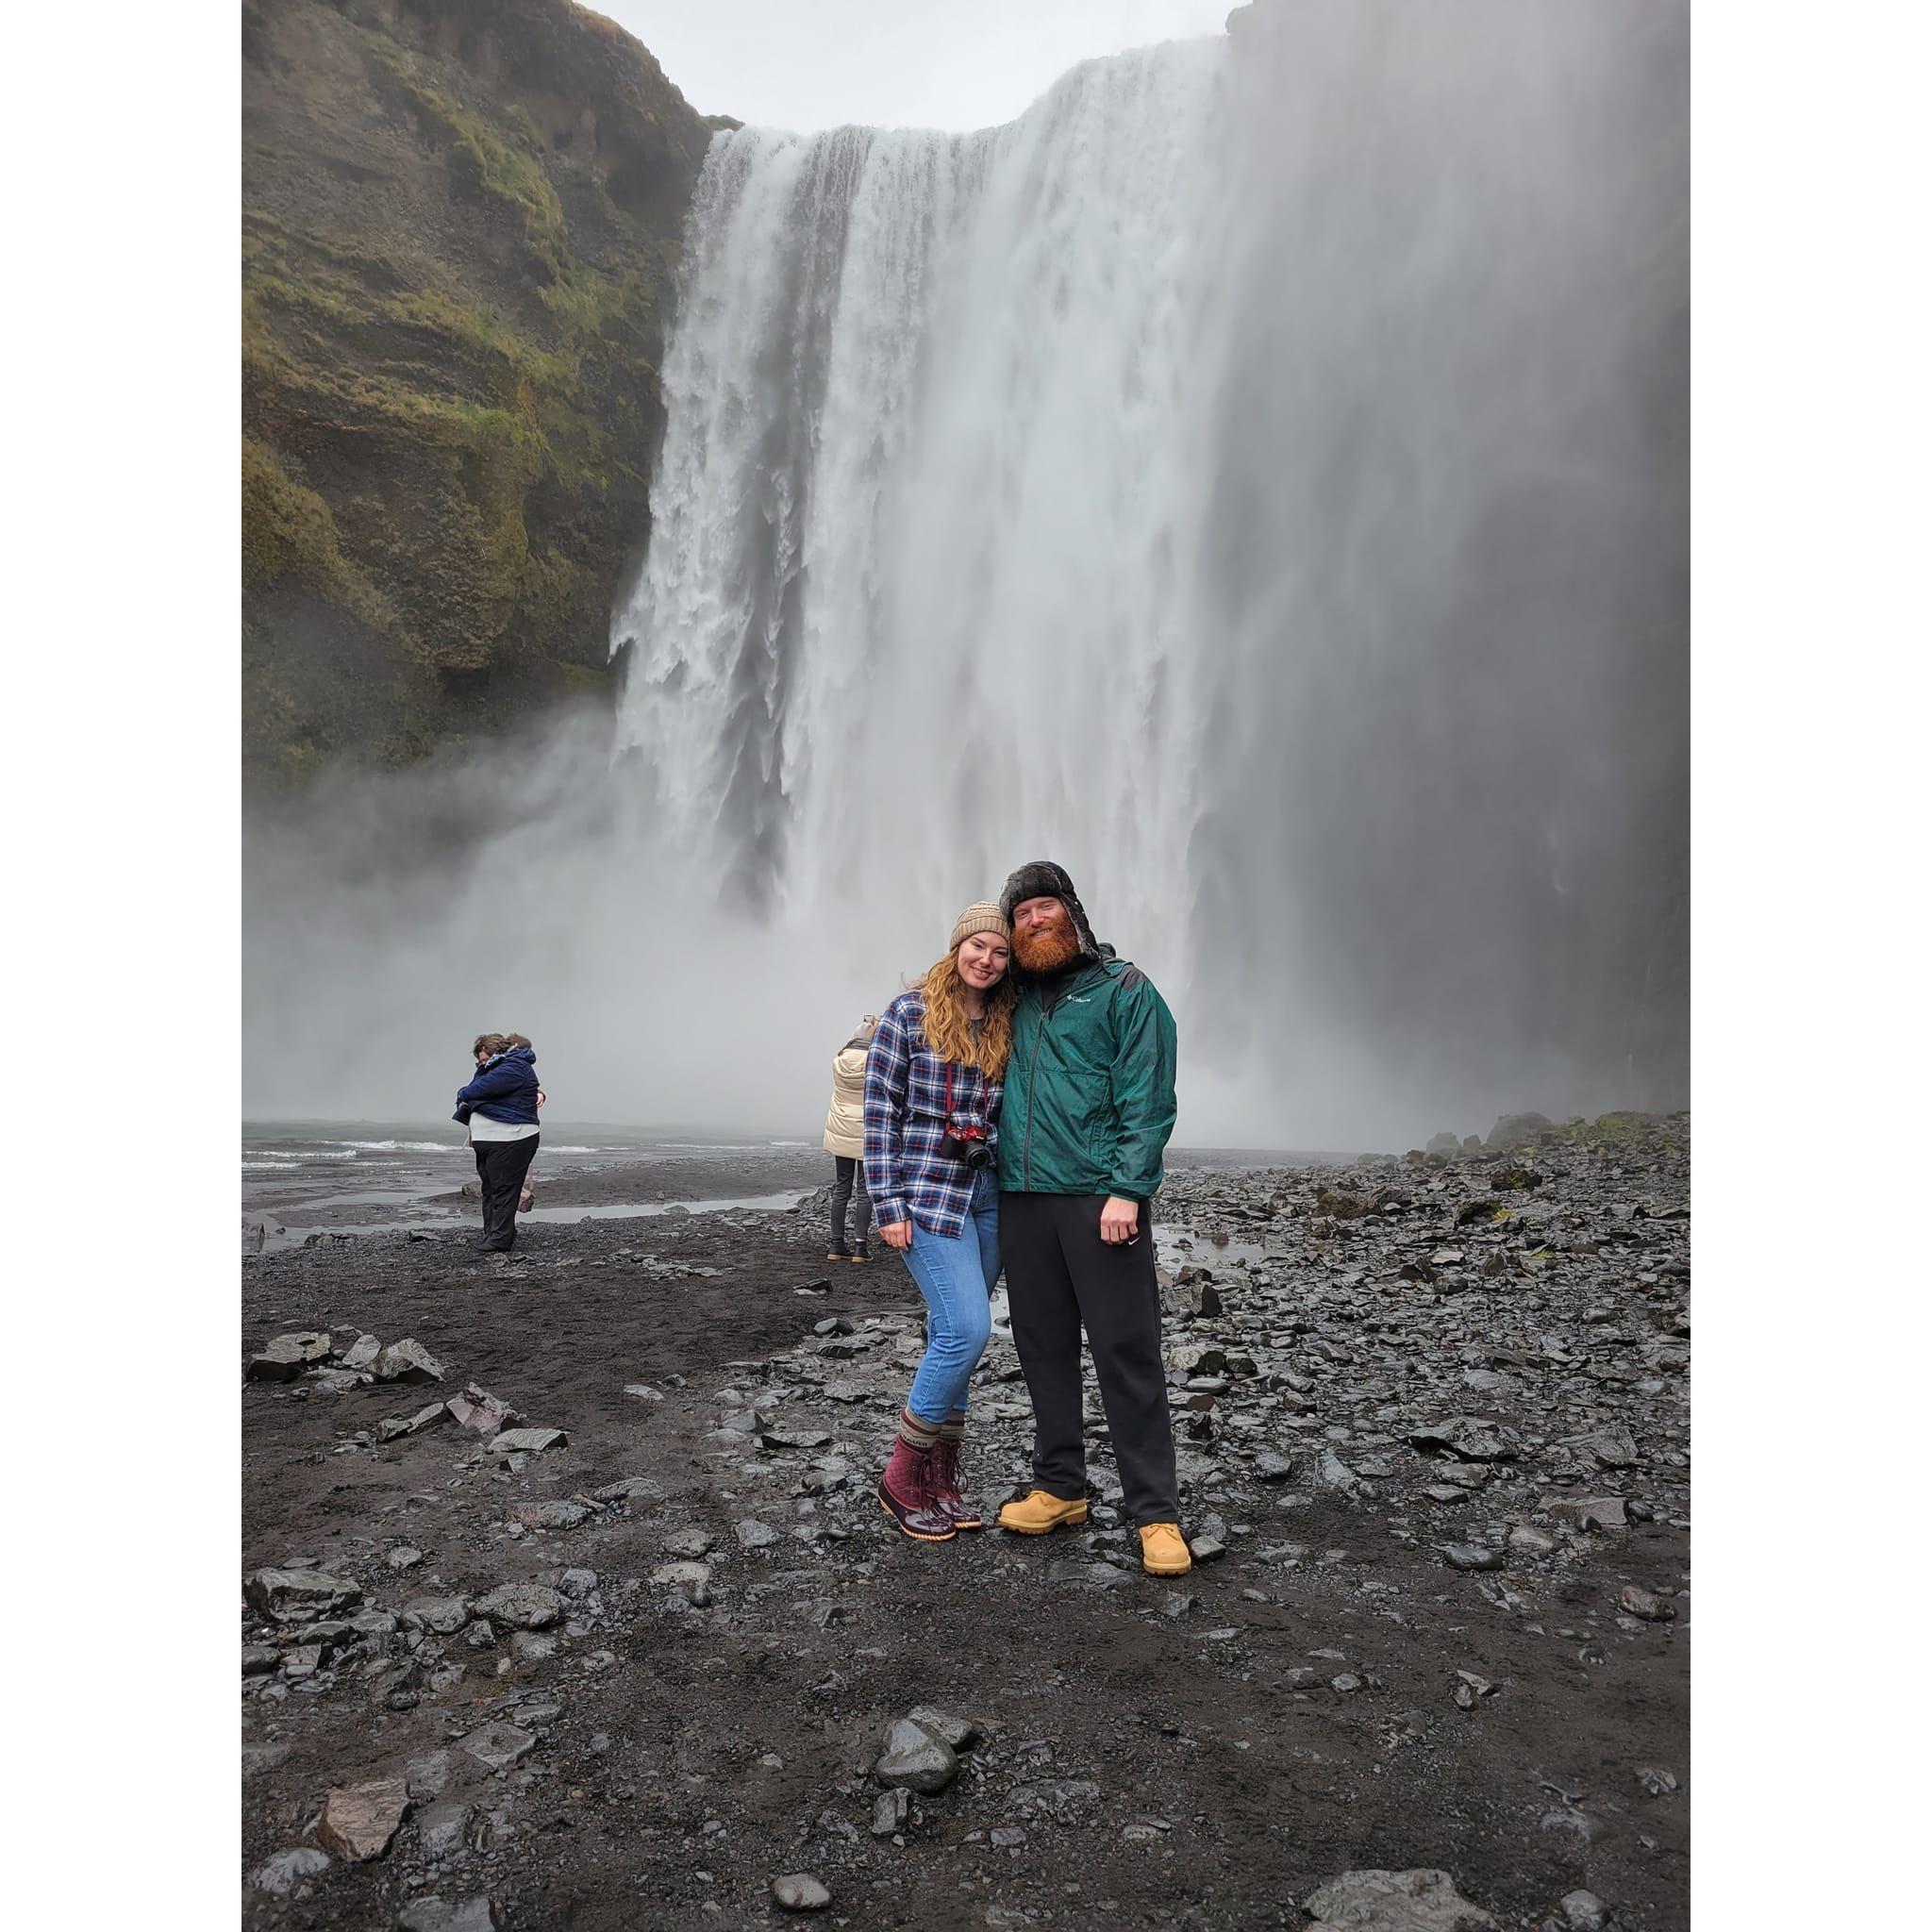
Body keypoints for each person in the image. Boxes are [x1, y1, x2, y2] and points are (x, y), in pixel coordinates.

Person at [991, 860, 1190, 1576]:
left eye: (1044, 907)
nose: (1034, 921)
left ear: (1072, 913)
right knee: (1042, 1350)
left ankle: (1156, 1513)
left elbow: (1149, 1095)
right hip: (1021, 1198)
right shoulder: (1008, 999)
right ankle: (1060, 1486)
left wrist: (1128, 1189)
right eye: (1021, 915)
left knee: (1126, 1353)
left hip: (1097, 1199)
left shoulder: (1125, 991)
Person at [863, 904, 1016, 1541]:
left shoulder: (1008, 1020)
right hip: (927, 1194)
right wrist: (887, 1206)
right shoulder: (909, 1013)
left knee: (953, 1337)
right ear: (958, 947)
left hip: (990, 1194)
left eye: (1000, 952)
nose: (987, 959)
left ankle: (942, 1480)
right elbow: (879, 1113)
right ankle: (901, 1477)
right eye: (978, 946)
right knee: (967, 1329)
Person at [454, 1032, 541, 1253]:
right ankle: (493, 1234)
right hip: (493, 1140)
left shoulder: (514, 1067)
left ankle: (500, 1240)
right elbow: (471, 1094)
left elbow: (472, 1091)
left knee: (503, 1190)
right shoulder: (492, 1070)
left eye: (484, 1059)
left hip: (512, 1138)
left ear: (497, 1052)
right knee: (491, 1189)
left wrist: (469, 1096)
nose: (481, 1063)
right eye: (480, 1060)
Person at [823, 1016, 878, 1262]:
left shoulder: (838, 1062)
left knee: (842, 1187)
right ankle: (860, 1248)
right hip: (867, 1130)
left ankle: (836, 1245)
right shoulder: (876, 1061)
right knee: (865, 1190)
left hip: (842, 1128)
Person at [501, 1033, 548, 1213]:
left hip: (511, 1133)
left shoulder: (509, 1067)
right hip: (521, 1132)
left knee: (503, 1185)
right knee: (510, 1183)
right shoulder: (518, 1068)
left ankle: (500, 1233)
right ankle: (502, 1230)